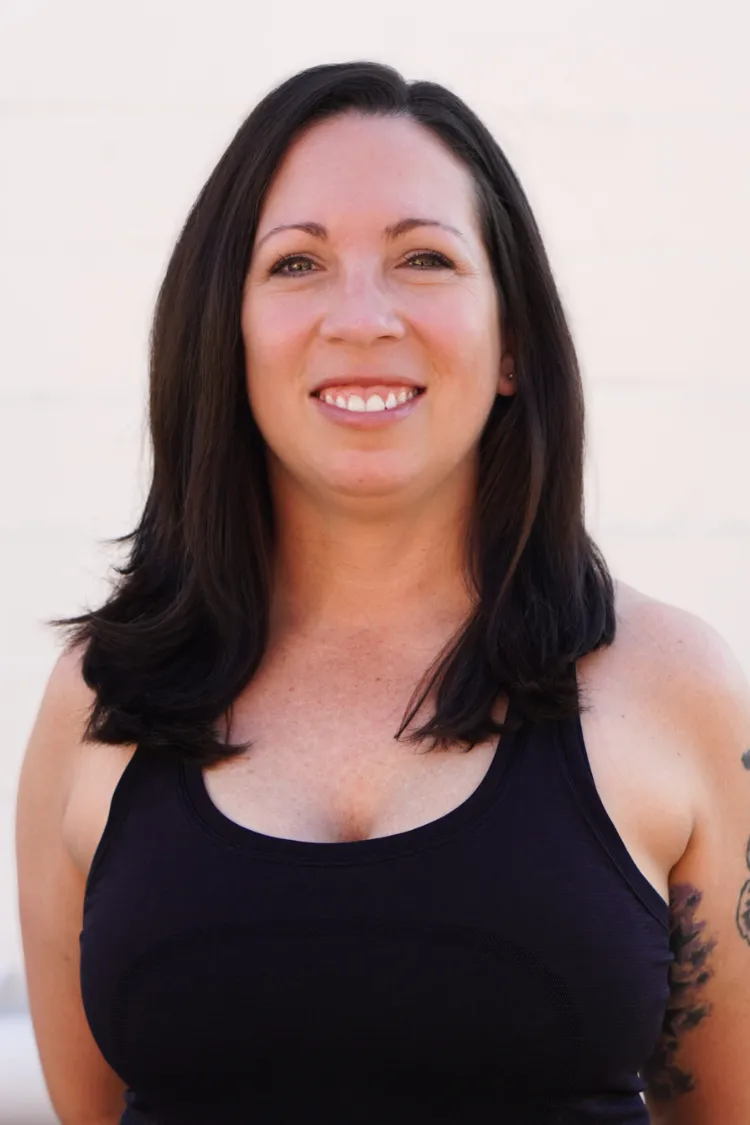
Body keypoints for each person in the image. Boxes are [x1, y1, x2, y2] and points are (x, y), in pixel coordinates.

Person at [14, 60, 750, 1125]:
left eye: (424, 258)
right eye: (299, 262)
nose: (361, 317)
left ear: (514, 344)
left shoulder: (676, 688)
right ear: (227, 332)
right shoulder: (98, 701)